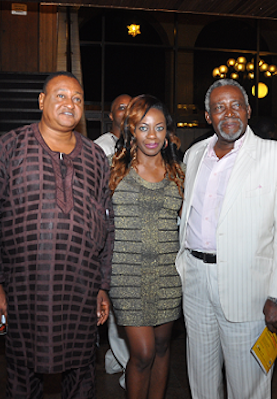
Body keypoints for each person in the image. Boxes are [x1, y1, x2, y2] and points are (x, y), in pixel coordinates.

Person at [0, 71, 114, 399]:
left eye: (77, 99)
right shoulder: (9, 147)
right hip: (25, 288)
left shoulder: (96, 157)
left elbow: (107, 223)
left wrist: (102, 285)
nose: (69, 104)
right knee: (23, 372)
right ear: (42, 101)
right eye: (60, 96)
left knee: (82, 372)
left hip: (80, 289)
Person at [175, 79, 277, 399]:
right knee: (201, 378)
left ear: (248, 110)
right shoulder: (195, 154)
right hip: (196, 281)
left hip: (249, 292)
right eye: (219, 108)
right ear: (207, 116)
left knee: (249, 385)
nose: (228, 113)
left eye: (235, 106)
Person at [108, 94, 185, 399]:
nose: (151, 136)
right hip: (126, 276)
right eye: (143, 128)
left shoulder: (179, 174)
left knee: (164, 348)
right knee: (143, 353)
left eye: (159, 128)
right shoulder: (115, 171)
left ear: (168, 133)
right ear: (132, 131)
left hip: (168, 275)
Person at [99, 94, 133, 389]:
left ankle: (116, 358)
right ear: (111, 115)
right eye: (121, 107)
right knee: (117, 309)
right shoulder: (101, 148)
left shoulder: (144, 146)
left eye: (132, 106)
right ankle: (129, 368)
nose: (128, 111)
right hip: (113, 239)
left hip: (135, 241)